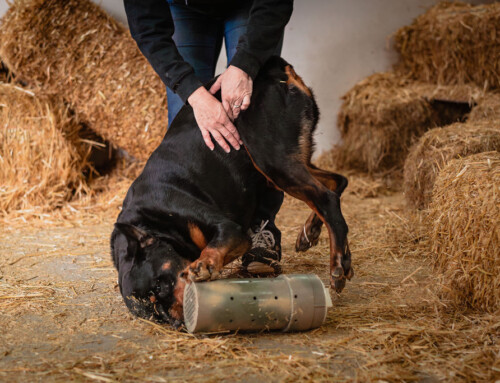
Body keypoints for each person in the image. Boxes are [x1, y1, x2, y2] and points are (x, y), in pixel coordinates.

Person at [124, 0, 293, 274]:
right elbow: (147, 28)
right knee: (187, 123)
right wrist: (193, 94)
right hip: (184, 8)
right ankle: (201, 236)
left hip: (249, 4)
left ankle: (261, 228)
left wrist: (245, 65)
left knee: (254, 114)